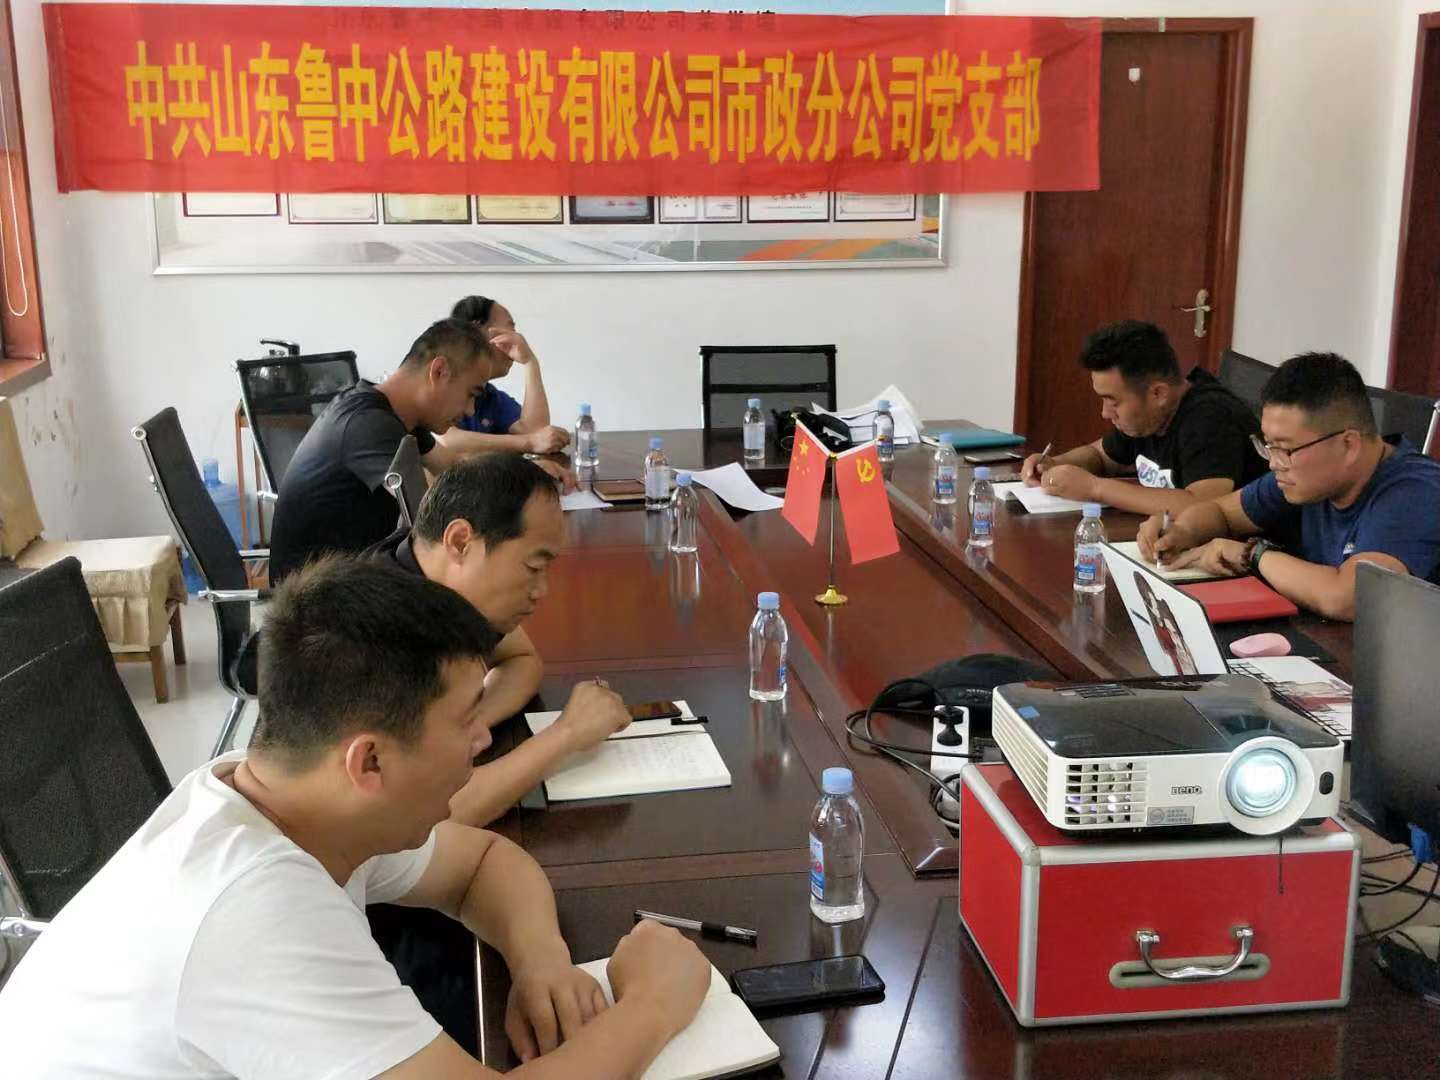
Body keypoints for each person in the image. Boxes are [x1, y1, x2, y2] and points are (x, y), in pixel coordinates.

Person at [0, 557, 710, 1078]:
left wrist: (540, 962)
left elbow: (482, 864)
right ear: (369, 761)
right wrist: (653, 1004)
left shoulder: (287, 795)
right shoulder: (254, 910)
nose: (483, 739)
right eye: (466, 719)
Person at [368, 453, 630, 827]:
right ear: (460, 541)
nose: (541, 590)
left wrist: (463, 725)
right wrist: (566, 734)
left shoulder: (431, 574)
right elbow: (420, 820)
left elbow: (522, 658)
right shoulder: (379, 644)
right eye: (533, 567)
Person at [1138, 352, 1440, 621]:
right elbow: (1221, 511)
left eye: (1284, 448)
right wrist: (1180, 530)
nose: (1273, 463)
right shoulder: (1305, 473)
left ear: (1348, 445)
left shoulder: (1414, 492)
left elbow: (1348, 598)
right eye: (1268, 446)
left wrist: (1254, 554)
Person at [268, 318, 490, 581]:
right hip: (315, 596)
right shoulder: (367, 423)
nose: (470, 410)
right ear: (439, 372)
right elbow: (430, 519)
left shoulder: (397, 416)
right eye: (471, 394)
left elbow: (452, 471)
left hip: (354, 578)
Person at [1020, 320, 1265, 516]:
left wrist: (1095, 488)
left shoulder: (1211, 418)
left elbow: (1204, 507)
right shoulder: (1148, 417)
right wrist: (1055, 464)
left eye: (1113, 401)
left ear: (1158, 393)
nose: (1105, 413)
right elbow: (1101, 455)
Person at [439, 296, 571, 456]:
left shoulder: (490, 397)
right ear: (476, 333)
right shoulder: (442, 379)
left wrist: (530, 362)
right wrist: (529, 442)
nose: (518, 339)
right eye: (510, 328)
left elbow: (538, 434)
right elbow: (445, 440)